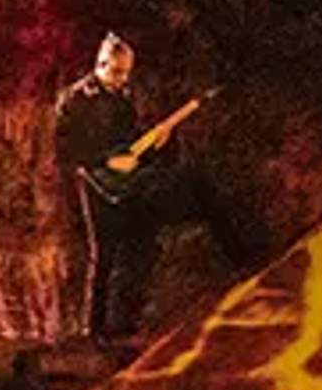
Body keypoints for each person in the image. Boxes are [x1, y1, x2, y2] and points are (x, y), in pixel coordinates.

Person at [52, 32, 263, 343]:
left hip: (131, 183)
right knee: (104, 256)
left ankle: (124, 324)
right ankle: (93, 331)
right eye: (117, 71)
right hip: (97, 187)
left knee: (142, 247)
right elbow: (66, 151)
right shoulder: (75, 100)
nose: (123, 79)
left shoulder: (123, 95)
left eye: (126, 72)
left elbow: (132, 146)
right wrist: (107, 163)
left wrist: (156, 144)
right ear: (101, 64)